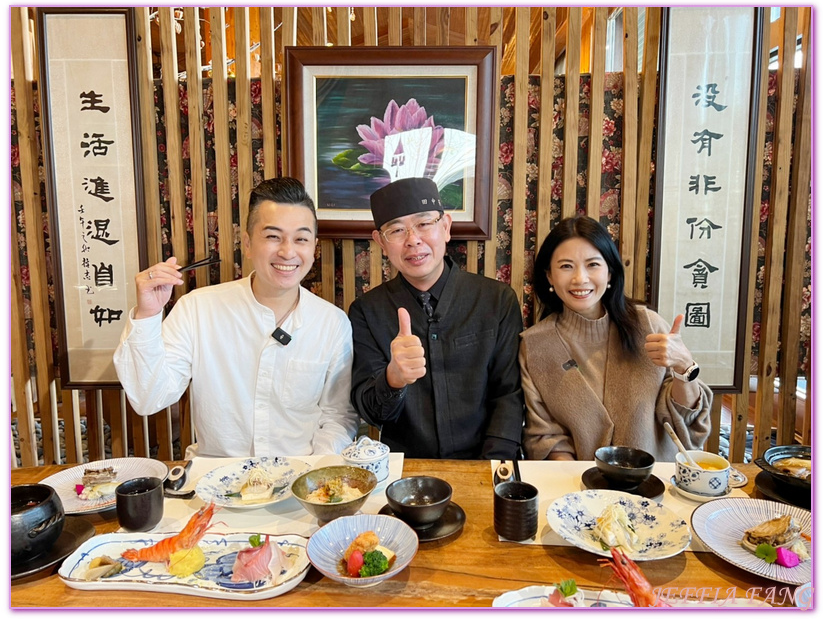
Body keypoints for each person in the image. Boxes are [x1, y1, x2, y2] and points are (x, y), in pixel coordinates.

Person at [113, 177, 359, 458]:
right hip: (215, 480)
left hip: (298, 482)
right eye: (272, 236)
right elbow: (148, 398)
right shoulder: (198, 309)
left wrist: (314, 474)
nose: (288, 251)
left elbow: (337, 416)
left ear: (313, 247)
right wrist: (147, 314)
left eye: (301, 239)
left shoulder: (332, 323)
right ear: (248, 243)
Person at [348, 177, 524, 460]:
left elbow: (508, 395)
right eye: (396, 230)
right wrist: (393, 378)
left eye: (424, 224)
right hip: (405, 471)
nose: (413, 240)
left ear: (445, 227)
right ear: (381, 241)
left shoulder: (496, 300)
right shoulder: (367, 311)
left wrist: (493, 467)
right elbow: (370, 412)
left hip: (487, 462)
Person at [520, 216, 712, 461]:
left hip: (654, 485)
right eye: (566, 266)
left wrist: (684, 367)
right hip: (578, 490)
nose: (580, 279)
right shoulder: (535, 345)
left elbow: (686, 425)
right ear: (549, 276)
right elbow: (545, 436)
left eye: (592, 265)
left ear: (610, 272)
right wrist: (580, 490)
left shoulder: (649, 326)